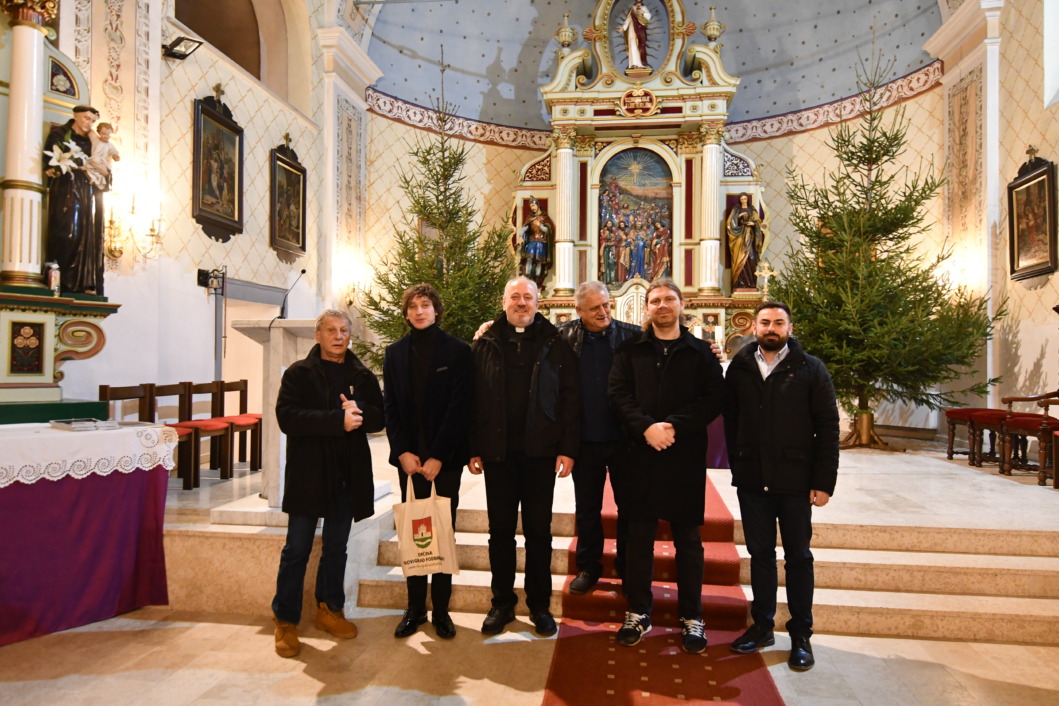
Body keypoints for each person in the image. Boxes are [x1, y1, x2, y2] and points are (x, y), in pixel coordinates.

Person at [608, 277, 724, 654]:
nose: (661, 305)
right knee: (638, 537)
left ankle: (692, 615)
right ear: (646, 308)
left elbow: (712, 399)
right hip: (639, 455)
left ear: (681, 304)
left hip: (684, 456)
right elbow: (618, 394)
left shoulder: (700, 353)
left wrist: (672, 427)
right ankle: (639, 610)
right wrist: (646, 427)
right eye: (654, 300)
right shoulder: (629, 350)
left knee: (688, 540)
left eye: (668, 299)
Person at [723, 302, 839, 671]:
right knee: (759, 555)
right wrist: (739, 463)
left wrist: (823, 482)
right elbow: (732, 420)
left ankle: (801, 634)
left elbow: (828, 427)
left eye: (778, 322)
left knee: (799, 557)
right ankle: (762, 626)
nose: (771, 328)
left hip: (795, 478)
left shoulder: (810, 368)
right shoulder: (740, 367)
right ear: (754, 327)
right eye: (764, 322)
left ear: (790, 326)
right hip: (754, 478)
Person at [469, 276, 581, 637]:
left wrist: (567, 447)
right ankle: (501, 603)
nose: (521, 302)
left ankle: (538, 604)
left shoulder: (555, 342)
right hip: (497, 453)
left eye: (527, 297)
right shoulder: (484, 342)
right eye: (515, 297)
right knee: (499, 532)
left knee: (539, 533)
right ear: (504, 302)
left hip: (540, 453)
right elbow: (471, 402)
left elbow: (570, 398)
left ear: (538, 301)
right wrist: (473, 447)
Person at [271, 309, 384, 658]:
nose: (338, 336)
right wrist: (338, 420)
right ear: (317, 336)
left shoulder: (361, 375)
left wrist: (359, 411)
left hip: (346, 475)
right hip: (309, 474)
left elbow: (380, 417)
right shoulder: (299, 374)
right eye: (331, 330)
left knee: (337, 547)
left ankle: (329, 609)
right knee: (296, 550)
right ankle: (285, 620)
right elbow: (287, 417)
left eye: (344, 330)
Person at [383, 284, 473, 640]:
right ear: (406, 313)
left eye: (426, 305)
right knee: (416, 534)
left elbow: (459, 408)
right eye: (413, 306)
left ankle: (442, 611)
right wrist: (402, 451)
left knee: (442, 532)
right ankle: (415, 608)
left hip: (444, 461)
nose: (420, 311)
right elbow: (391, 407)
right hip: (409, 462)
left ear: (437, 311)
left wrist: (438, 455)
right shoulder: (394, 353)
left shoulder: (458, 351)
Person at [558, 282, 642, 595]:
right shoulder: (563, 337)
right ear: (578, 311)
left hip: (624, 440)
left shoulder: (631, 336)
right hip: (585, 440)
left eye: (606, 305)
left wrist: (709, 349)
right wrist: (487, 327)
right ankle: (589, 566)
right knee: (588, 508)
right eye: (595, 308)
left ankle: (626, 564)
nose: (603, 312)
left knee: (629, 507)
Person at [44, 105, 100, 295]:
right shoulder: (60, 134)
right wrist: (77, 164)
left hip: (85, 190)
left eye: (92, 120)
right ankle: (61, 281)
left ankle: (81, 283)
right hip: (66, 188)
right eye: (86, 118)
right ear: (75, 116)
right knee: (69, 232)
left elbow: (100, 163)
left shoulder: (92, 141)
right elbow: (50, 161)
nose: (89, 123)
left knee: (85, 235)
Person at [727, 193, 766, 290]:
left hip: (750, 237)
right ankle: (740, 283)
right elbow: (730, 223)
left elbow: (758, 221)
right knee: (740, 259)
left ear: (747, 199)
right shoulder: (736, 210)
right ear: (740, 200)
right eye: (742, 199)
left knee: (751, 259)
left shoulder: (752, 210)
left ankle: (751, 283)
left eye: (745, 199)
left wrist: (753, 223)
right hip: (739, 238)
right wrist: (739, 216)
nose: (743, 200)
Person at [518, 197, 553, 289]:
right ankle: (527, 280)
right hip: (532, 241)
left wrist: (540, 225)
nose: (532, 208)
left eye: (533, 205)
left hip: (541, 243)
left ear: (537, 205)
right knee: (529, 259)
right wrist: (520, 236)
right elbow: (525, 227)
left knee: (539, 262)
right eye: (530, 206)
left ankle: (537, 283)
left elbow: (548, 230)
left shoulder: (544, 217)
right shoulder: (530, 217)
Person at [86, 122, 120, 191]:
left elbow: (113, 151)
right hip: (93, 161)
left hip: (103, 164)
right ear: (99, 133)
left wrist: (115, 156)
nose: (106, 136)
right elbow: (90, 131)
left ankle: (100, 183)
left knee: (102, 173)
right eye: (104, 134)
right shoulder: (95, 139)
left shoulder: (110, 145)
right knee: (91, 166)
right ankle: (93, 180)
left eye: (108, 134)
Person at [621, 0, 652, 71]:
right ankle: (634, 63)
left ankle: (642, 63)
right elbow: (628, 19)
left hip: (640, 28)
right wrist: (623, 28)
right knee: (633, 43)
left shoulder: (644, 8)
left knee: (641, 45)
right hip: (632, 27)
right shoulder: (632, 8)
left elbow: (648, 17)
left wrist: (643, 13)